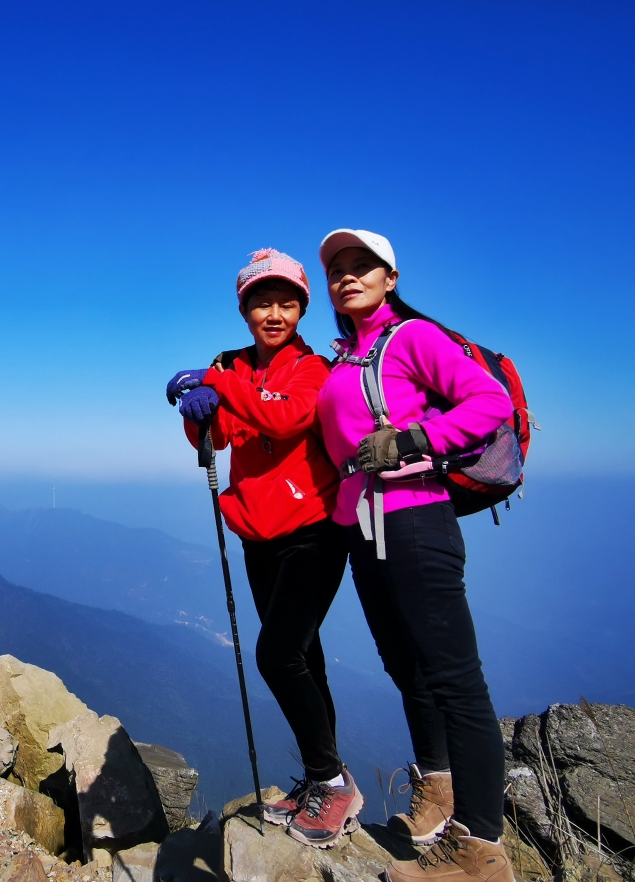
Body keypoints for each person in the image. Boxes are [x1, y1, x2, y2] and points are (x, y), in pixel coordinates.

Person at [315, 229, 513, 882]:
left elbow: (491, 402)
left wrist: (414, 440)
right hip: (364, 532)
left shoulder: (411, 339)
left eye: (362, 266)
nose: (348, 277)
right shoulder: (347, 358)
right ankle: (439, 794)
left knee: (455, 680)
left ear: (390, 278)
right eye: (337, 269)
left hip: (416, 525)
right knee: (407, 668)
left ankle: (480, 847)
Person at [166, 248, 362, 848]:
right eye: (261, 302)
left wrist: (213, 383)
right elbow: (221, 434)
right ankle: (320, 775)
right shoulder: (232, 365)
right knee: (306, 656)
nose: (274, 313)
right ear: (245, 308)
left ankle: (333, 782)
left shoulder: (313, 368)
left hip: (315, 529)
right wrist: (196, 412)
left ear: (302, 308)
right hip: (258, 533)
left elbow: (286, 420)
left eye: (286, 302)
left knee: (277, 656)